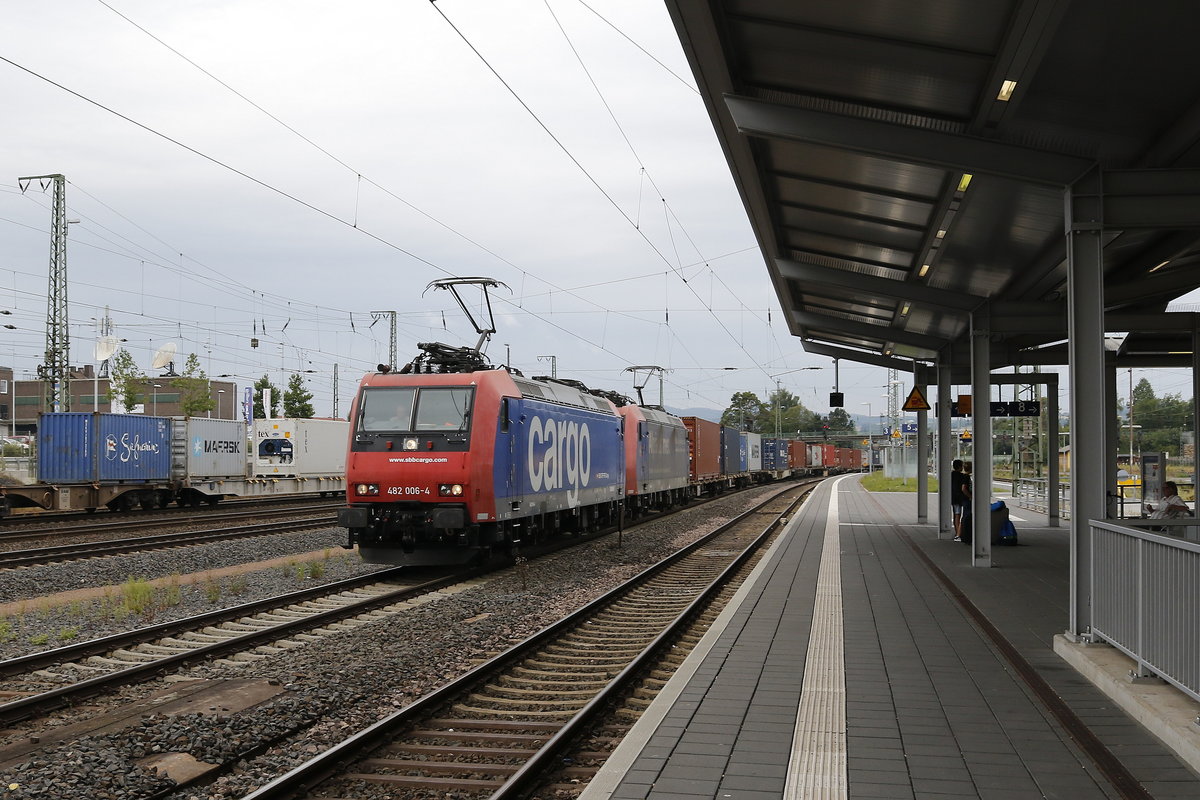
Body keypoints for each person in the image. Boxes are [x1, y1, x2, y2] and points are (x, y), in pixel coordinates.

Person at [950, 459, 969, 540]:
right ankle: (958, 534)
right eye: (962, 465)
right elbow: (963, 488)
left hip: (953, 497)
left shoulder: (951, 475)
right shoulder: (961, 476)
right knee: (958, 516)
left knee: (955, 515)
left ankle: (957, 532)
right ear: (959, 466)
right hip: (959, 498)